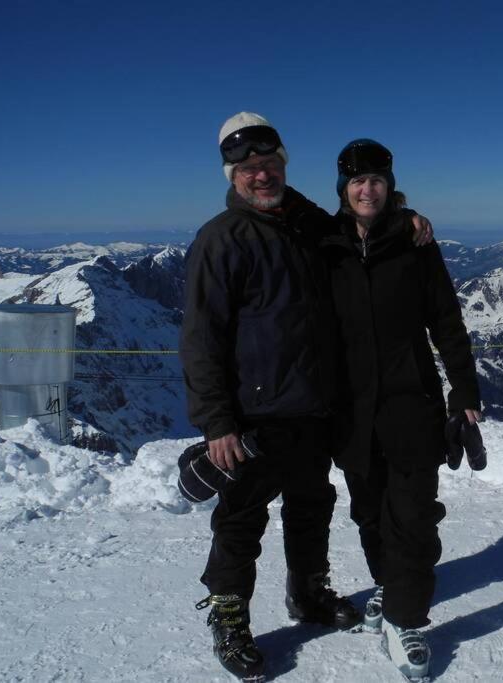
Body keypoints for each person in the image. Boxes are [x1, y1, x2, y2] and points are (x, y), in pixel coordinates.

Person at [180, 114, 432, 682]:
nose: (261, 176)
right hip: (251, 414)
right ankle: (229, 615)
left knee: (310, 504)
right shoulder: (222, 239)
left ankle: (308, 592)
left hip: (315, 404)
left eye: (269, 165)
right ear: (233, 175)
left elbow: (362, 225)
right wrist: (217, 421)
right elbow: (201, 338)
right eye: (248, 169)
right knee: (241, 518)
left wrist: (408, 216)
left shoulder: (309, 222)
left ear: (284, 164)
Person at [320, 139, 483, 681]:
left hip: (411, 405)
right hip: (351, 411)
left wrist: (464, 391)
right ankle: (389, 584)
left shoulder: (414, 244)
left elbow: (446, 319)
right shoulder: (326, 243)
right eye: (357, 181)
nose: (368, 189)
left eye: (378, 180)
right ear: (343, 189)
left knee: (412, 517)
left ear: (391, 187)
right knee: (369, 513)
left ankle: (405, 619)